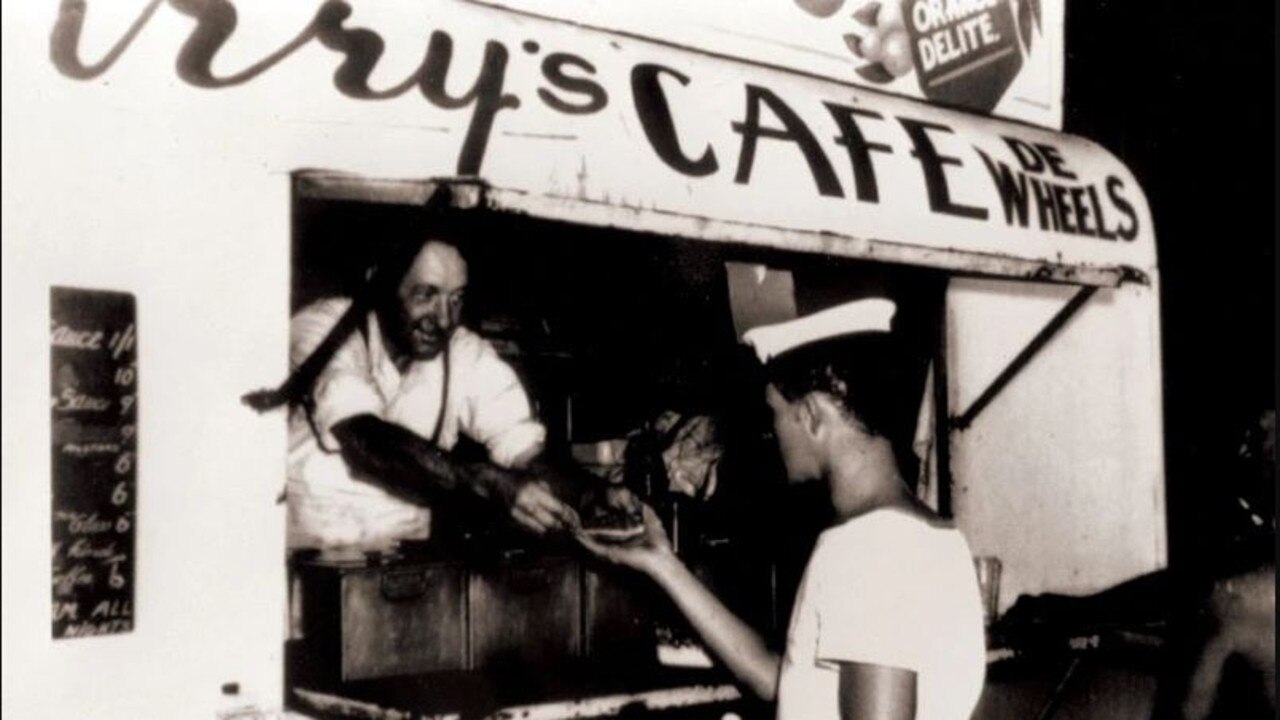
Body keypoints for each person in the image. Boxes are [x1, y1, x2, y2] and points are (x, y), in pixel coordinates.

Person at [577, 298, 987, 720]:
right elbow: (789, 683)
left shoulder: (870, 548)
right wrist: (662, 564)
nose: (772, 433)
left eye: (776, 413)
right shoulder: (925, 536)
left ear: (810, 416)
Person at [286, 235, 581, 551]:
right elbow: (366, 440)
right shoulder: (324, 328)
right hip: (304, 564)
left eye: (456, 299)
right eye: (426, 294)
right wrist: (488, 481)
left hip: (406, 568)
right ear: (380, 284)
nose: (444, 319)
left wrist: (590, 493)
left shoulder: (463, 352)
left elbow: (524, 448)